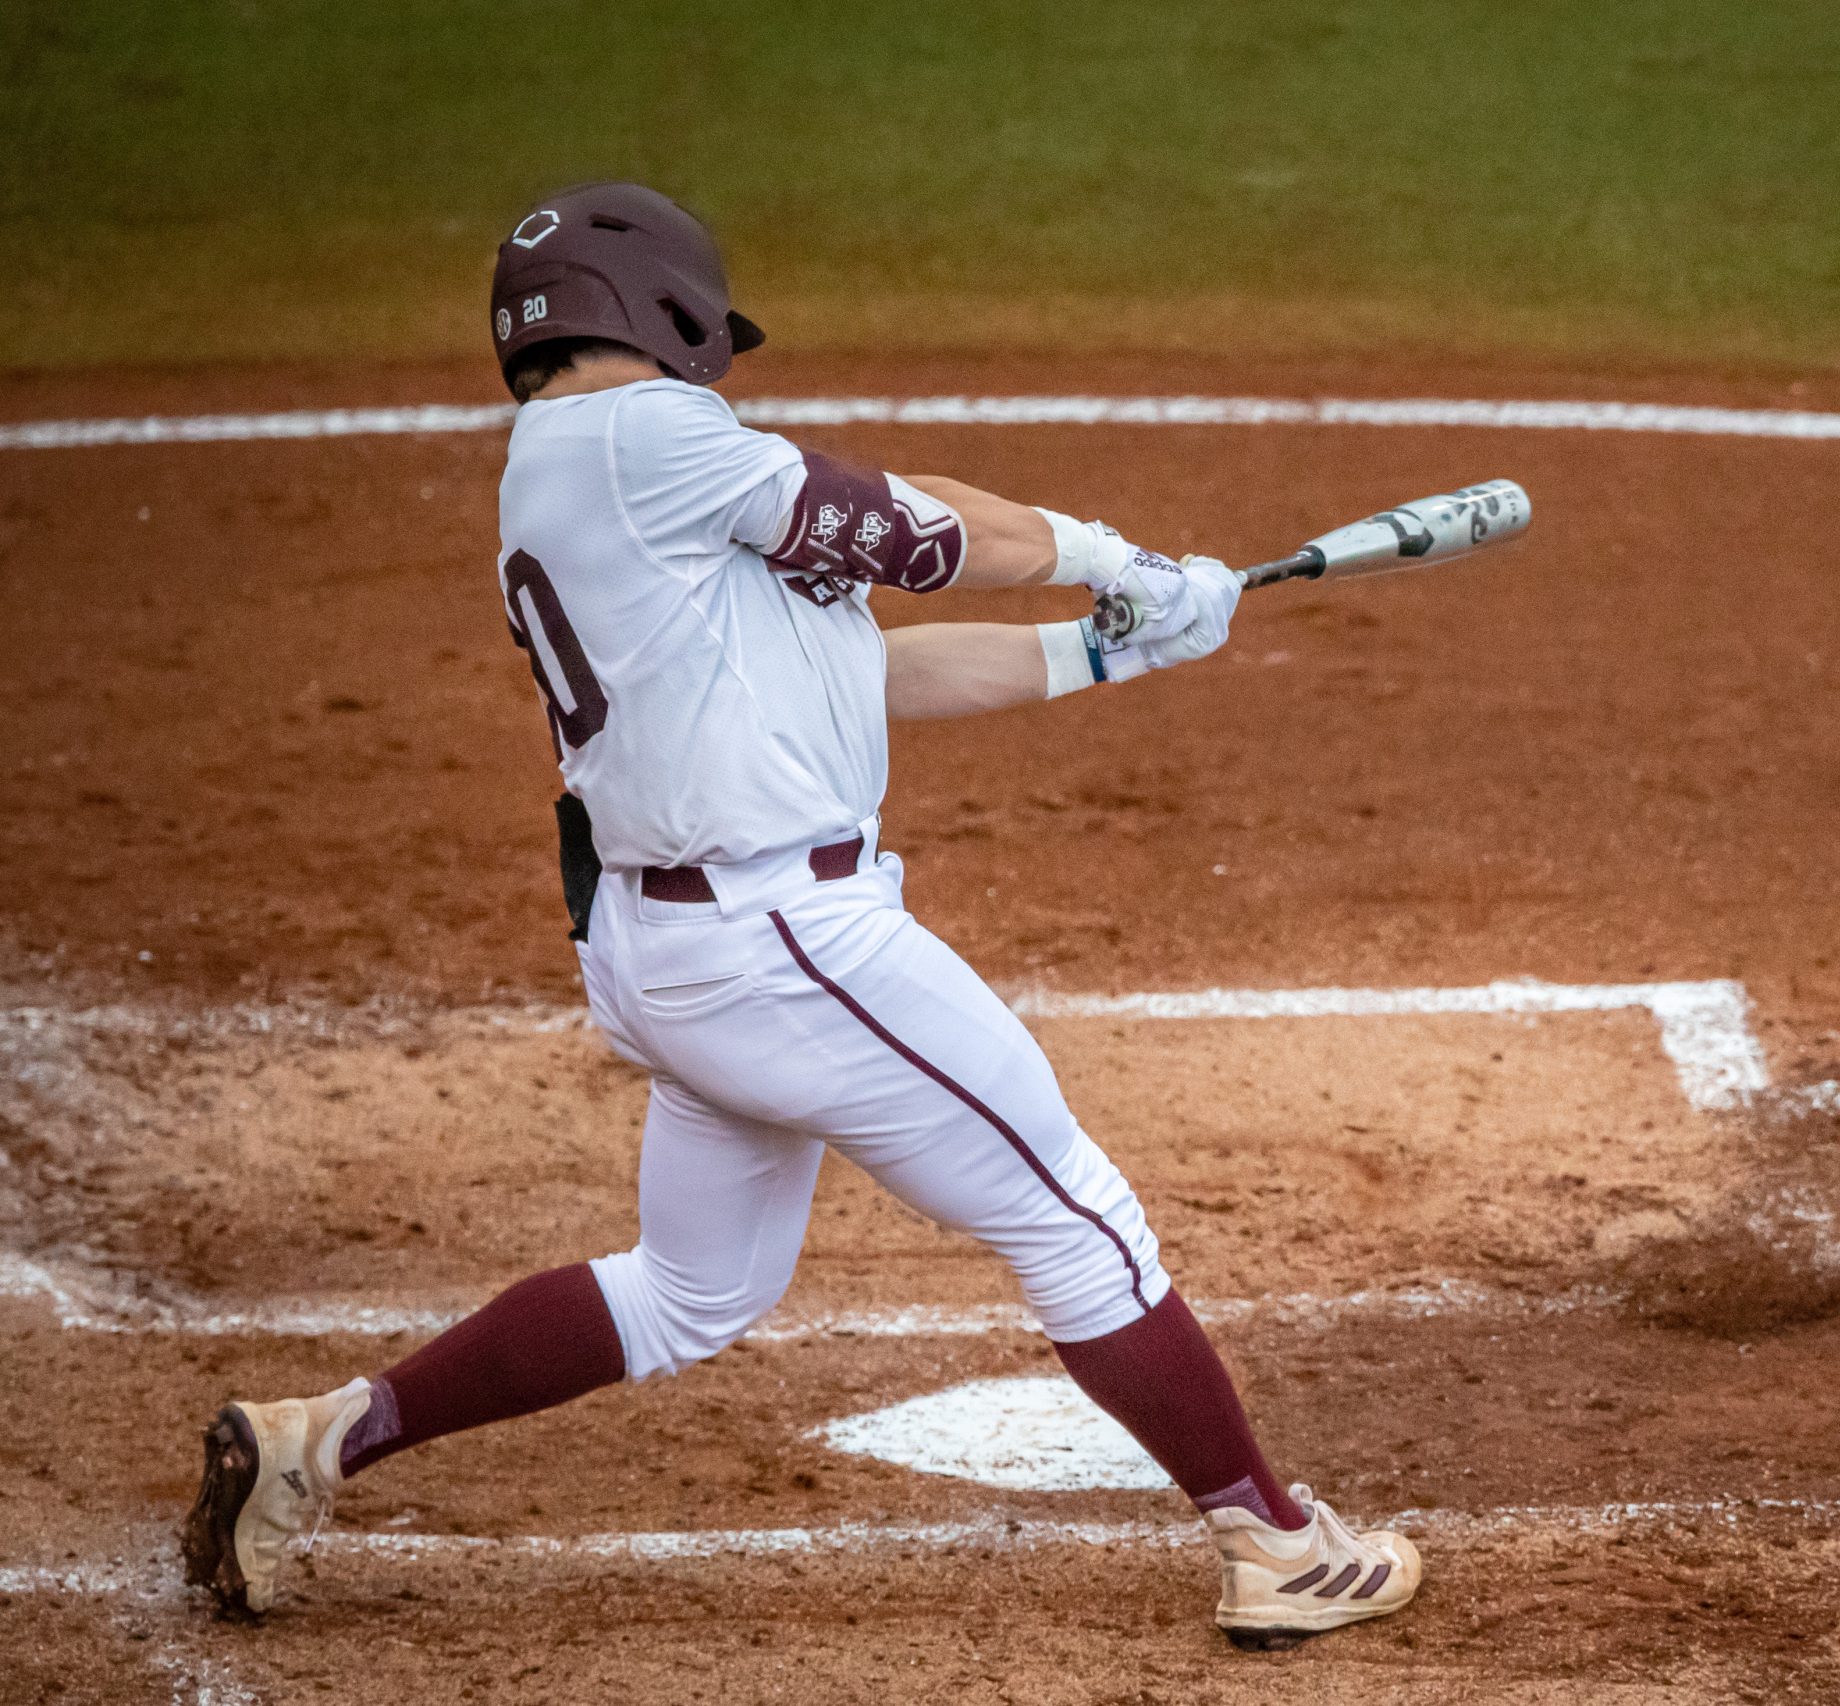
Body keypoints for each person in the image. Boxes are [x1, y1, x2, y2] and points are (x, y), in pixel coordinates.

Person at [180, 181, 1420, 1650]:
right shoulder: (648, 437)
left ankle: (320, 1442)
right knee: (1075, 1211)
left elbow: (870, 677)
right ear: (662, 307)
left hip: (682, 949)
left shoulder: (596, 484)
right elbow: (914, 534)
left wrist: (1115, 647)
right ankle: (1271, 1540)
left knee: (691, 1289)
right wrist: (1111, 552)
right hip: (784, 942)